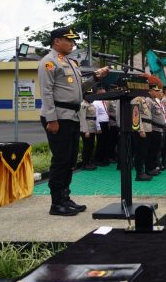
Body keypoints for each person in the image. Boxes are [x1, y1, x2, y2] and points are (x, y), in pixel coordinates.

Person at [38, 27, 109, 216]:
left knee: (70, 160)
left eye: (73, 41)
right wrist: (52, 119)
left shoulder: (70, 62)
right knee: (61, 160)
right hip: (58, 117)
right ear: (56, 41)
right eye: (68, 40)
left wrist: (95, 77)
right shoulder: (49, 62)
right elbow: (46, 92)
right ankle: (56, 204)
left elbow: (80, 90)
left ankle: (65, 198)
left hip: (72, 116)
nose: (72, 44)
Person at [131, 77, 155, 181]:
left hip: (148, 128)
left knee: (145, 151)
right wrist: (140, 130)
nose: (147, 87)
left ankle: (144, 171)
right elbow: (135, 116)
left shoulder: (143, 99)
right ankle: (139, 173)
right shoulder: (136, 99)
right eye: (145, 85)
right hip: (142, 130)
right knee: (140, 152)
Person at [79, 89, 98, 171]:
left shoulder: (91, 104)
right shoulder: (83, 105)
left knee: (91, 146)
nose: (91, 97)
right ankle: (84, 164)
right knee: (87, 146)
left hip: (92, 127)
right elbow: (82, 118)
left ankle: (89, 162)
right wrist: (86, 130)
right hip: (86, 128)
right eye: (89, 95)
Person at [92, 86, 111, 166]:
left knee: (105, 142)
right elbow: (95, 116)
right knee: (100, 143)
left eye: (105, 93)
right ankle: (98, 160)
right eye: (103, 93)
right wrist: (98, 127)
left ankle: (104, 159)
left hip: (106, 124)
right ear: (98, 94)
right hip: (101, 124)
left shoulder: (103, 102)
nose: (104, 94)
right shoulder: (95, 103)